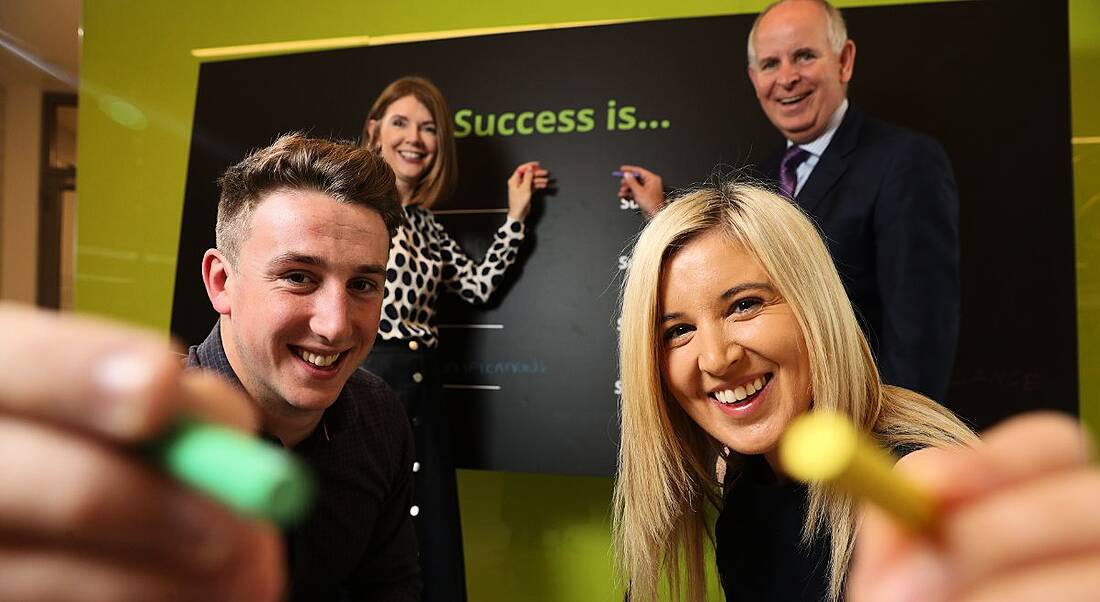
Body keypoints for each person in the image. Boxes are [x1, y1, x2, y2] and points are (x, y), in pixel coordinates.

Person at [612, 182, 1100, 601]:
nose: (716, 358)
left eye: (744, 305)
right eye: (677, 331)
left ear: (812, 306)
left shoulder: (910, 483)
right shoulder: (743, 489)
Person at [0, 133, 421, 601]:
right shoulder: (140, 440)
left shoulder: (382, 417)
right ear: (221, 282)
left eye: (363, 284)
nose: (335, 325)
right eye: (299, 277)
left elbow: (391, 588)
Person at [616, 0, 960, 404]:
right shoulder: (760, 180)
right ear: (753, 78)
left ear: (844, 61)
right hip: (771, 429)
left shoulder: (905, 161)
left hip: (859, 428)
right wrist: (662, 214)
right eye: (770, 64)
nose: (787, 78)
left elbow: (921, 330)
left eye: (804, 56)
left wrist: (894, 445)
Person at [359, 75, 550, 600]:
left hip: (426, 390)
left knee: (430, 534)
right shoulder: (352, 210)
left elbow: (480, 287)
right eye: (400, 123)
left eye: (428, 128)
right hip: (368, 382)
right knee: (369, 526)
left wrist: (516, 216)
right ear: (374, 130)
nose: (414, 138)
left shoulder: (426, 225)